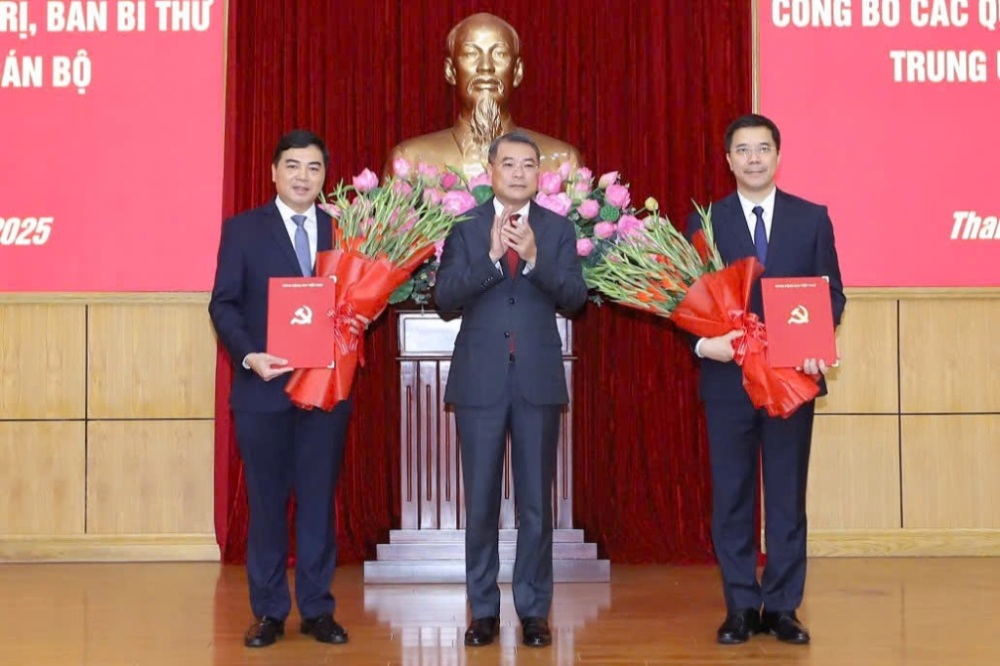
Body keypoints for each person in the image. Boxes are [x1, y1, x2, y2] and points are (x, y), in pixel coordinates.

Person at [687, 114, 846, 646]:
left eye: (763, 149)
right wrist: (705, 343)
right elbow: (686, 301)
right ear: (728, 159)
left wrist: (815, 344)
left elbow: (833, 294)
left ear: (778, 156)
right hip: (728, 380)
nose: (754, 158)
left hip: (790, 380)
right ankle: (739, 606)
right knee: (731, 496)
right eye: (743, 150)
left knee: (785, 497)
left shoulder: (812, 218)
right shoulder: (705, 222)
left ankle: (781, 607)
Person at [209, 129, 365, 649]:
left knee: (319, 503)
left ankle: (318, 610)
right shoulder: (243, 230)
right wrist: (250, 355)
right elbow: (223, 304)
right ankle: (270, 612)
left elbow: (358, 303)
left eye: (314, 168)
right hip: (263, 391)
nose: (303, 177)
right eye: (293, 166)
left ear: (325, 177)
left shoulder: (344, 231)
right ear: (274, 172)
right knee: (268, 504)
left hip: (325, 392)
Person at [434, 131, 588, 648]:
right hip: (480, 382)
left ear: (539, 174)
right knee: (479, 501)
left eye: (528, 165)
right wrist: (494, 259)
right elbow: (445, 299)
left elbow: (575, 298)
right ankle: (482, 611)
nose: (519, 173)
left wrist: (538, 259)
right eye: (509, 164)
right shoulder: (465, 227)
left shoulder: (559, 229)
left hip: (537, 381)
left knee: (535, 506)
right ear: (491, 170)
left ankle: (534, 611)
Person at [386, 12, 580, 177]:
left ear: (517, 72)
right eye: (471, 54)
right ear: (451, 71)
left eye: (500, 54)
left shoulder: (561, 163)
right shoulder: (410, 162)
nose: (486, 67)